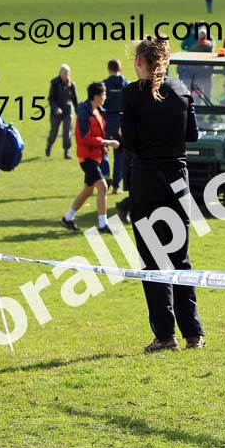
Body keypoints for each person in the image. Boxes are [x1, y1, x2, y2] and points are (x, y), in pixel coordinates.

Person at [121, 36, 206, 354]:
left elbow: (128, 141)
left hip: (146, 180)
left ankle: (164, 335)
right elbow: (192, 134)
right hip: (178, 180)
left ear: (141, 62)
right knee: (180, 258)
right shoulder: (183, 90)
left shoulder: (130, 94)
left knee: (153, 259)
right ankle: (193, 333)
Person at [59, 82, 118, 234]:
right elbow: (85, 138)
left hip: (95, 155)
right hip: (86, 157)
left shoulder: (97, 110)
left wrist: (102, 146)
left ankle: (67, 218)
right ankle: (103, 225)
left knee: (88, 190)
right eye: (104, 94)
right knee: (103, 187)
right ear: (97, 96)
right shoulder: (84, 113)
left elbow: (99, 132)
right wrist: (107, 142)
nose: (105, 97)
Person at [102, 59, 129, 194]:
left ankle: (106, 179)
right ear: (120, 69)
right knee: (120, 154)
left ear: (109, 69)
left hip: (107, 122)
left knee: (104, 150)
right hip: (122, 123)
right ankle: (117, 186)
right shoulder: (127, 85)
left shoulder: (104, 85)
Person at [46, 64, 78, 160]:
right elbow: (51, 99)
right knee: (54, 132)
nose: (65, 75)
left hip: (68, 111)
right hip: (56, 112)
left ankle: (66, 151)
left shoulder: (71, 85)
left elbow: (75, 100)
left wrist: (78, 112)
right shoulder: (55, 83)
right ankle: (49, 145)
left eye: (67, 73)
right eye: (64, 73)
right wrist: (56, 108)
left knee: (67, 131)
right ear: (60, 73)